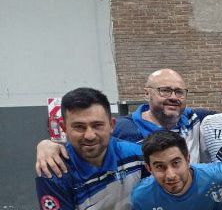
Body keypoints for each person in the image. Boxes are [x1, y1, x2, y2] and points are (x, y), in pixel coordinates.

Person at [36, 69, 211, 178]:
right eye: (164, 90)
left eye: (179, 92)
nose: (173, 97)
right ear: (146, 93)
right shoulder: (121, 128)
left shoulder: (197, 119)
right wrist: (47, 145)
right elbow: (83, 144)